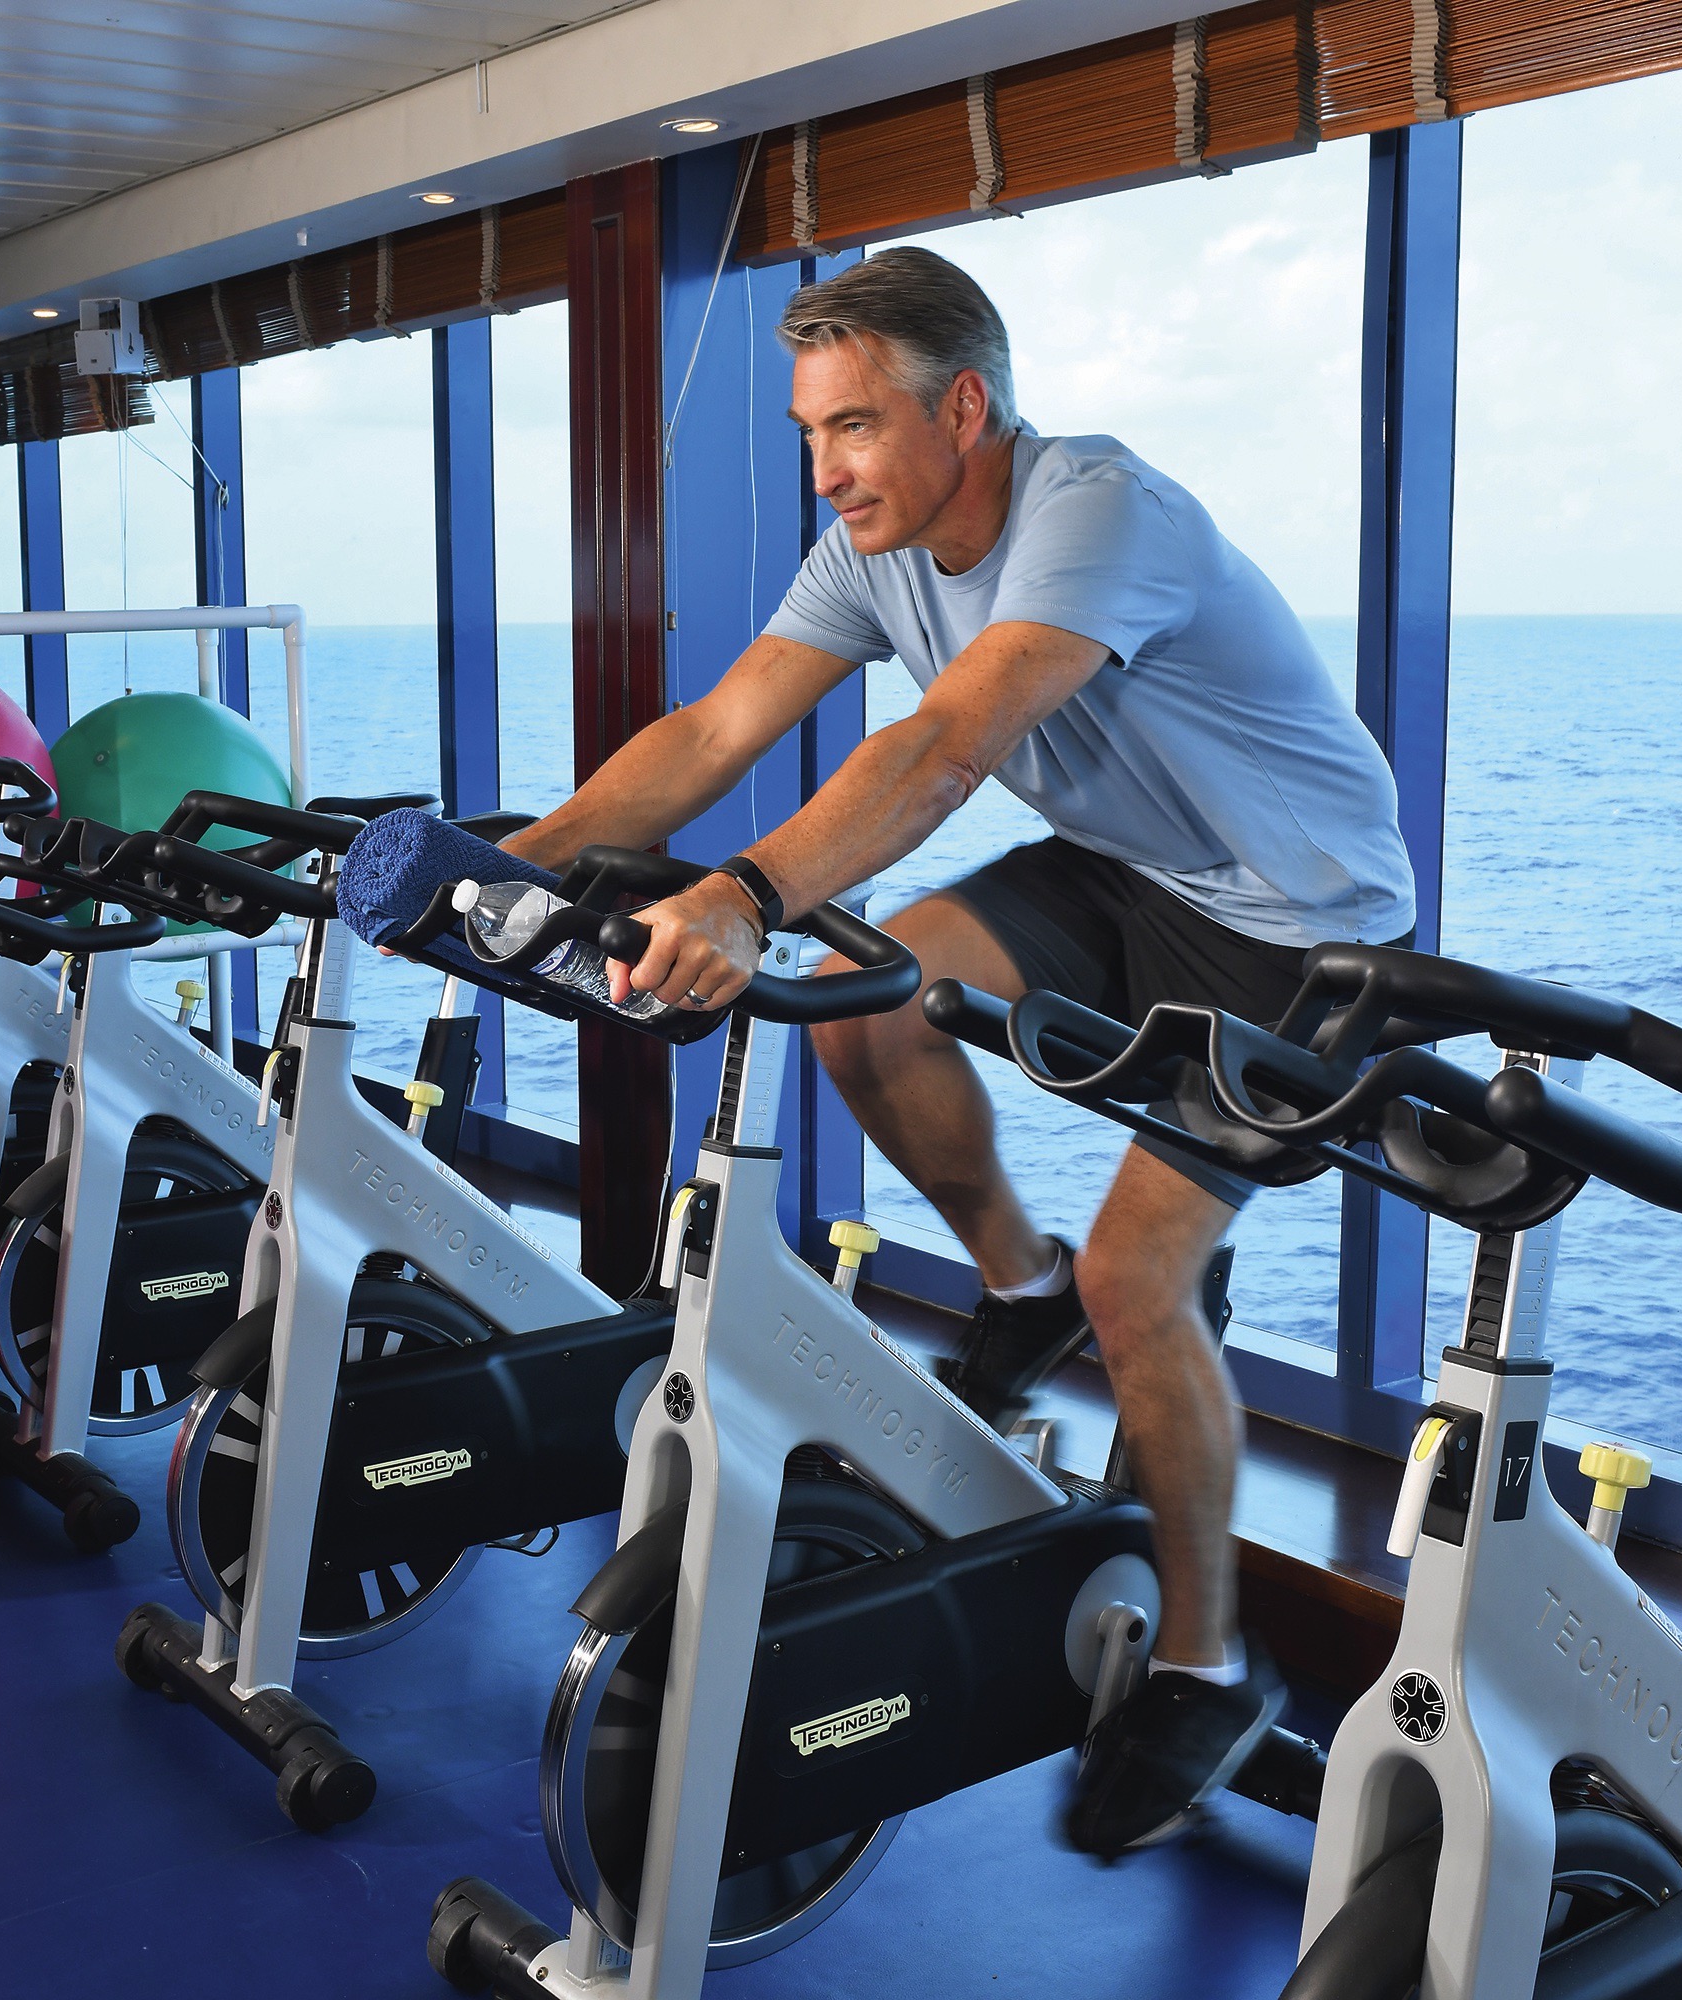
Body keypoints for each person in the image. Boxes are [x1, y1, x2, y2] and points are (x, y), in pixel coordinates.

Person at [500, 247, 1415, 1853]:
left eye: (853, 425)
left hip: (1307, 931)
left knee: (1146, 1281)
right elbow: (716, 729)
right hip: (1134, 876)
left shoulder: (1101, 515)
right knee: (872, 1007)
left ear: (965, 408)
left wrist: (746, 896)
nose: (826, 468)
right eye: (809, 432)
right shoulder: (878, 549)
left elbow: (945, 743)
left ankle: (1208, 1666)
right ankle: (1019, 1284)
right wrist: (505, 869)